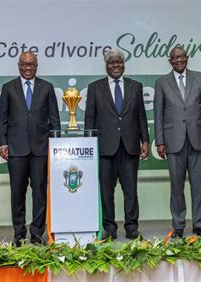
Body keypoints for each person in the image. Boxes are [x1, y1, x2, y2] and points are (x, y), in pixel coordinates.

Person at [84, 48, 149, 240]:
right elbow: (90, 119)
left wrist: (145, 140)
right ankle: (109, 228)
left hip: (130, 146)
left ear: (124, 64)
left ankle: (131, 228)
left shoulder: (135, 87)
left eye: (118, 62)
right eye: (111, 62)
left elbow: (141, 117)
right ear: (106, 65)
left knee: (130, 190)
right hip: (105, 148)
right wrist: (90, 146)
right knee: (106, 191)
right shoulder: (95, 88)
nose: (115, 66)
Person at [0, 51, 61, 246]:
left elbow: (54, 119)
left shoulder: (47, 87)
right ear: (18, 65)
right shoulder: (8, 88)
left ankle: (36, 233)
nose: (27, 68)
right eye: (24, 64)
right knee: (17, 193)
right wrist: (3, 143)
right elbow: (2, 119)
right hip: (16, 149)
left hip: (41, 148)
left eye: (31, 64)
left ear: (36, 66)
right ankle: (19, 233)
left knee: (40, 192)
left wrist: (55, 144)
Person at [154, 47, 201, 239]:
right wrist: (160, 141)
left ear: (187, 58)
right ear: (170, 61)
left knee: (198, 185)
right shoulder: (162, 82)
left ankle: (199, 225)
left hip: (197, 139)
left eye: (182, 57)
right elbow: (158, 115)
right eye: (175, 58)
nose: (179, 60)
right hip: (173, 141)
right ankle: (178, 225)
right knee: (176, 186)